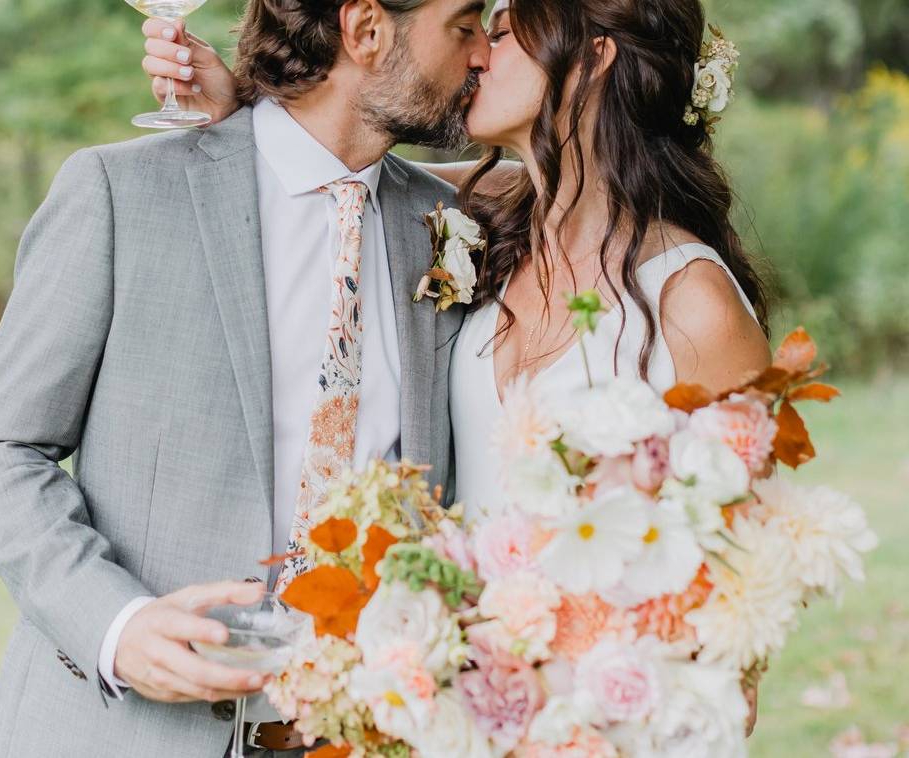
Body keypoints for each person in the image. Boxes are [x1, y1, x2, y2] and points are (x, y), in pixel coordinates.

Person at [143, 0, 772, 736]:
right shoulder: (478, 234)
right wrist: (245, 121)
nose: (477, 53)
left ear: (596, 56)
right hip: (452, 718)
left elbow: (741, 615)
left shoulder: (692, 304)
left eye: (501, 33)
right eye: (473, 28)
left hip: (604, 726)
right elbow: (338, 169)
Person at [0, 0, 488, 755]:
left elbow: (585, 180)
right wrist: (116, 625)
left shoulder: (451, 221)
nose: (481, 55)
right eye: (465, 26)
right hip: (122, 732)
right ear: (366, 30)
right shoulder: (120, 193)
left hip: (359, 730)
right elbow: (1, 450)